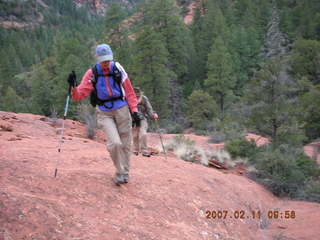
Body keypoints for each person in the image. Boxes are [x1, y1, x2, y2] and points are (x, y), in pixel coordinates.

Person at [68, 43, 141, 185]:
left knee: (126, 144)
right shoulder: (92, 73)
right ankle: (119, 171)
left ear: (111, 58)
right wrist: (72, 86)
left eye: (108, 60)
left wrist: (135, 111)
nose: (106, 64)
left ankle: (124, 174)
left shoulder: (118, 69)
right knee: (115, 143)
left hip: (122, 109)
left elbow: (130, 91)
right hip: (104, 112)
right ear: (98, 60)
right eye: (103, 61)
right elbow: (78, 95)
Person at [132, 87, 158, 157]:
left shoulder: (144, 99)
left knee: (143, 134)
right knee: (135, 135)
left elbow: (149, 109)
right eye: (135, 94)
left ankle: (144, 151)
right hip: (133, 119)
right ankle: (135, 150)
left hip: (142, 118)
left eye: (138, 94)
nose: (137, 96)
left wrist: (153, 115)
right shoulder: (129, 98)